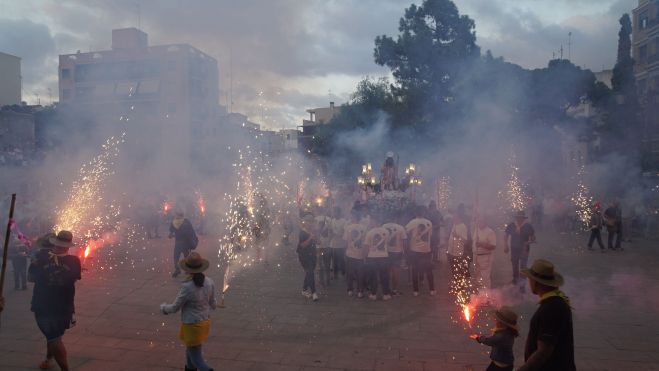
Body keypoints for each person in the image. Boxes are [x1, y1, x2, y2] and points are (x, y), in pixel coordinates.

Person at [28, 231, 81, 371]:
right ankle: (48, 359)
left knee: (54, 338)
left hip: (44, 305)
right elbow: (74, 279)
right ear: (68, 245)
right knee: (53, 336)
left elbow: (31, 278)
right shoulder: (74, 261)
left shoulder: (40, 258)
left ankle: (65, 369)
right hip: (65, 306)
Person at [161, 252, 216, 371]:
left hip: (192, 326)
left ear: (187, 269)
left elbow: (175, 307)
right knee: (190, 352)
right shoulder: (209, 281)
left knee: (197, 360)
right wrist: (214, 304)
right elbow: (213, 303)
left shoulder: (187, 287)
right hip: (204, 322)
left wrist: (164, 308)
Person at [518, 259, 575, 371]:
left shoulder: (551, 308)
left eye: (530, 279)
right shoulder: (556, 302)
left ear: (536, 282)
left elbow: (544, 351)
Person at [470, 306, 519, 371]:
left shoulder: (501, 336)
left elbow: (489, 341)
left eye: (497, 320)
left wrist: (478, 338)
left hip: (501, 366)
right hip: (503, 363)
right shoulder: (507, 331)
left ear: (502, 323)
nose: (495, 321)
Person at [405, 208, 435, 296]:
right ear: (423, 213)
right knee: (429, 270)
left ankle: (416, 291)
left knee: (414, 270)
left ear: (416, 213)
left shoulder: (412, 222)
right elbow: (431, 235)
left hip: (415, 250)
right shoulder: (429, 223)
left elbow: (406, 231)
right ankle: (432, 289)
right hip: (426, 250)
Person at [504, 211, 535, 288]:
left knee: (523, 267)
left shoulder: (528, 226)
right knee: (514, 265)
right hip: (514, 249)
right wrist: (505, 245)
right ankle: (515, 280)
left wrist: (530, 241)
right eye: (518, 217)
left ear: (523, 218)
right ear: (516, 218)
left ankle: (522, 285)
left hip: (524, 249)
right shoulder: (512, 225)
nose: (519, 219)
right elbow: (506, 235)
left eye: (521, 218)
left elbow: (533, 237)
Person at [364, 224, 391, 300]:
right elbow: (388, 242)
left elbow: (366, 246)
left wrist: (365, 257)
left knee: (373, 276)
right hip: (384, 256)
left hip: (372, 257)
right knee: (384, 276)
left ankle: (373, 294)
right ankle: (386, 294)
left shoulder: (369, 232)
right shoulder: (386, 232)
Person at [344, 212, 367, 298]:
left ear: (353, 218)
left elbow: (346, 241)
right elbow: (366, 243)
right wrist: (365, 255)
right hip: (360, 254)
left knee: (350, 273)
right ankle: (360, 291)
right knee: (360, 274)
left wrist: (345, 252)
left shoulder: (348, 227)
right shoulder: (364, 228)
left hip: (350, 254)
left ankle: (350, 290)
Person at [169, 211, 199, 278]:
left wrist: (171, 235)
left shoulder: (180, 222)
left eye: (176, 215)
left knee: (179, 257)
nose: (175, 216)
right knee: (181, 257)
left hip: (182, 243)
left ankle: (181, 269)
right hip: (182, 243)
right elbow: (191, 231)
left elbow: (171, 232)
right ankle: (181, 269)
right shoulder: (182, 221)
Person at [297, 215, 319, 301]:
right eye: (308, 221)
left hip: (313, 254)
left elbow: (318, 241)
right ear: (305, 223)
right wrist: (310, 238)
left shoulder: (313, 231)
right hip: (304, 256)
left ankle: (304, 290)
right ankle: (314, 292)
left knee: (309, 272)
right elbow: (302, 245)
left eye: (311, 221)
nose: (310, 223)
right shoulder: (302, 232)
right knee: (310, 272)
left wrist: (316, 236)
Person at [448, 212, 471, 292]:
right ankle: (456, 285)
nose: (453, 219)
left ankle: (461, 286)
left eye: (455, 218)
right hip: (451, 252)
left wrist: (457, 236)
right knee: (454, 270)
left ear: (459, 218)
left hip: (459, 252)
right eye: (453, 218)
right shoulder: (454, 225)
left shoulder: (463, 226)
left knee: (459, 270)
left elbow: (465, 240)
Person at [382, 221, 406, 296]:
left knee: (386, 272)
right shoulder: (400, 227)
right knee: (396, 272)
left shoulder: (383, 226)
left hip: (386, 252)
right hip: (397, 252)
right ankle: (394, 290)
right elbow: (404, 241)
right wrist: (404, 252)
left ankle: (386, 289)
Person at [473, 216, 497, 289]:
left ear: (485, 222)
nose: (479, 223)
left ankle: (486, 296)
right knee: (478, 276)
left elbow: (493, 246)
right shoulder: (476, 230)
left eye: (481, 221)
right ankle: (480, 294)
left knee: (485, 277)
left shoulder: (490, 232)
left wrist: (481, 244)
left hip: (485, 257)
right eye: (478, 221)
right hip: (476, 256)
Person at [329, 207, 347, 279]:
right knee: (334, 260)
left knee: (342, 260)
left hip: (341, 244)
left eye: (335, 212)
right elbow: (330, 231)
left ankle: (344, 273)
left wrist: (337, 234)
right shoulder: (332, 221)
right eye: (333, 212)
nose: (334, 214)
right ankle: (335, 274)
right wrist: (331, 233)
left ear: (339, 213)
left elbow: (344, 232)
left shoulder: (343, 221)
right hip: (333, 244)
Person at [315, 214, 332, 287]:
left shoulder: (326, 230)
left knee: (322, 265)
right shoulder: (318, 231)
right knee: (323, 265)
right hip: (323, 248)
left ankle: (324, 281)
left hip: (323, 248)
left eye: (320, 224)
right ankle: (324, 281)